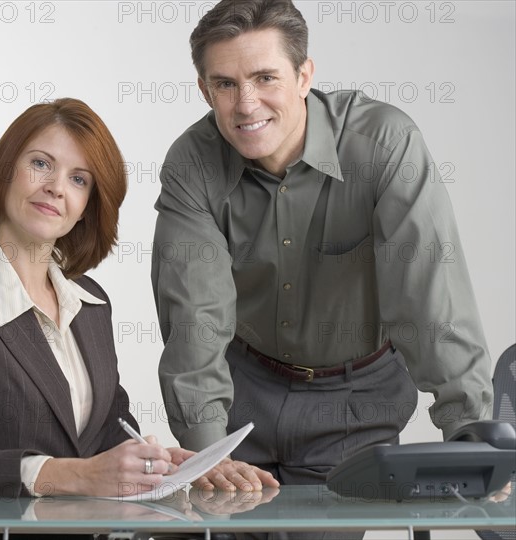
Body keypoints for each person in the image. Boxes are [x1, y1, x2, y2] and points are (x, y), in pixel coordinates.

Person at [152, 0, 493, 491]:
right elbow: (193, 318)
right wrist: (208, 451)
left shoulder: (384, 145)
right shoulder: (192, 164)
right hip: (242, 396)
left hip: (355, 401)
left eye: (266, 77)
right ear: (205, 91)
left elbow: (430, 299)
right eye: (226, 84)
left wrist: (470, 437)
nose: (246, 104)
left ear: (304, 75)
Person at [0, 98, 275, 539]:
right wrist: (70, 476)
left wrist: (159, 463)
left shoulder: (90, 303)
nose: (56, 187)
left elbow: (108, 428)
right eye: (41, 163)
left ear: (87, 206)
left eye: (78, 179)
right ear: (5, 169)